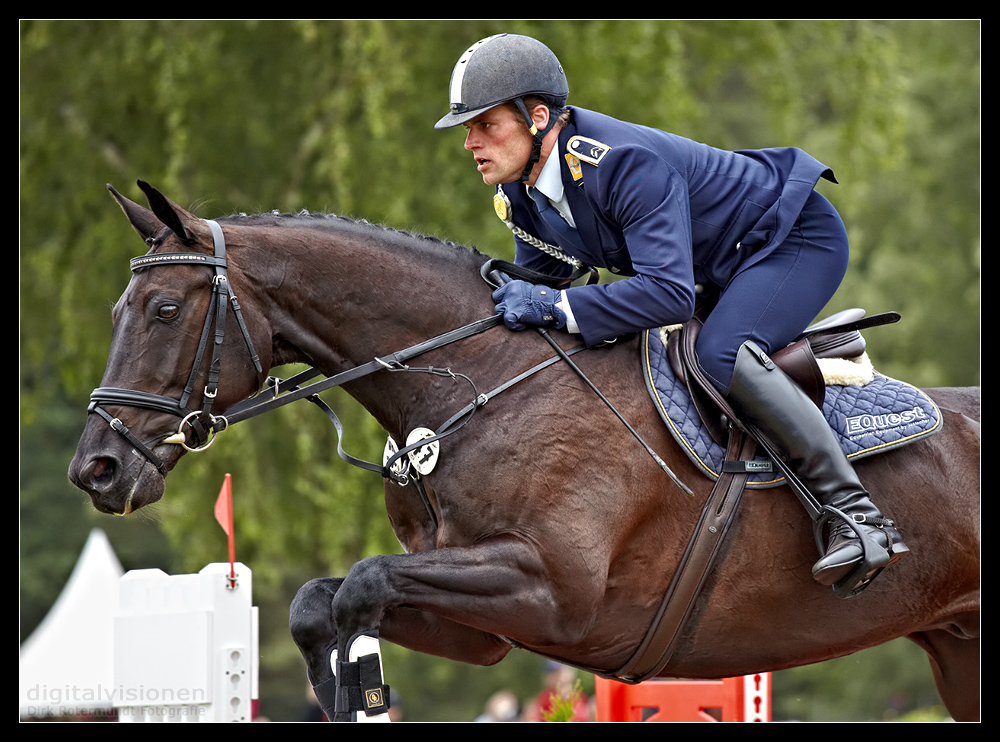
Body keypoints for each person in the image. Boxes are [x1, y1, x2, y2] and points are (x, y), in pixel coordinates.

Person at [434, 33, 908, 595]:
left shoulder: (623, 165)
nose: (470, 142)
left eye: (485, 125)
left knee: (719, 354)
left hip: (792, 239)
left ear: (538, 118)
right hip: (721, 264)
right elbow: (545, 284)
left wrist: (555, 305)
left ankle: (859, 518)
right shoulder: (521, 192)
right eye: (468, 129)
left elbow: (666, 296)